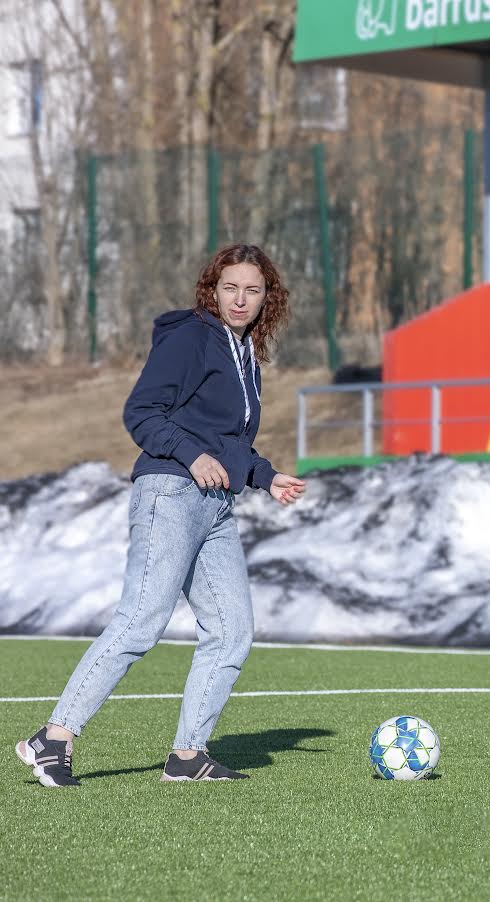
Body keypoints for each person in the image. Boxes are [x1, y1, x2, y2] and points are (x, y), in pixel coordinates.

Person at [15, 243, 307, 787]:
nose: (240, 299)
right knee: (143, 617)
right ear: (212, 291)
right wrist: (193, 456)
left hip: (216, 506)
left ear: (269, 297)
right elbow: (141, 412)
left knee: (232, 630)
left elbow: (230, 441)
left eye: (252, 290)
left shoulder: (245, 355)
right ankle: (52, 739)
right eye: (230, 288)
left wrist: (267, 477)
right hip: (171, 493)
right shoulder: (192, 338)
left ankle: (188, 754)